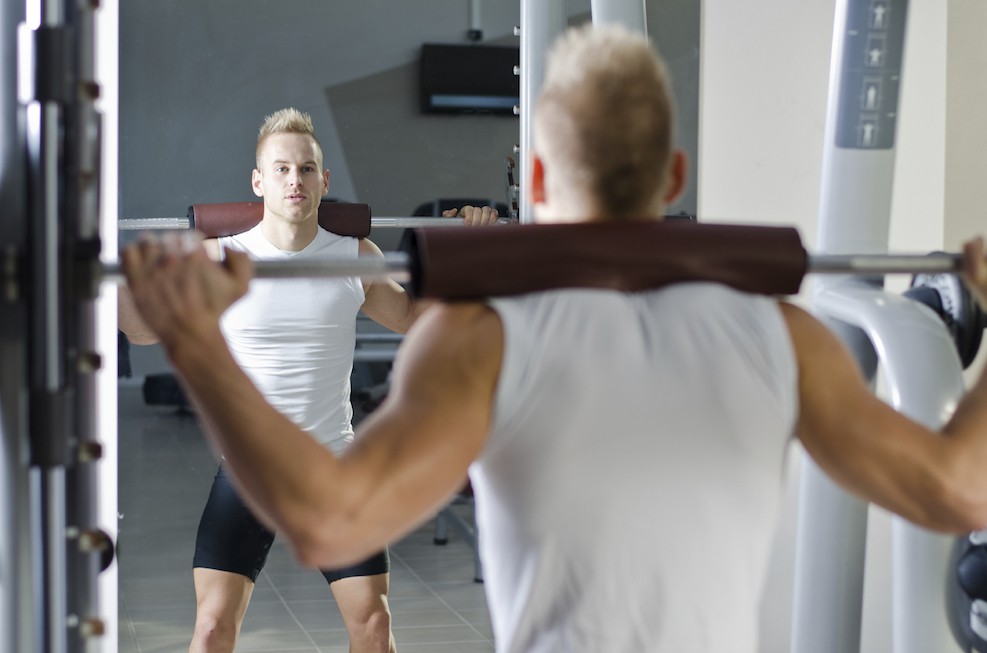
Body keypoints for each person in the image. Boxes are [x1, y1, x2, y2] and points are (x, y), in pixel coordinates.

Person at [122, 25, 987, 653]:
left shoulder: (480, 341)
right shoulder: (783, 333)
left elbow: (324, 517)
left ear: (533, 176)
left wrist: (194, 343)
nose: (299, 179)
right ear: (674, 174)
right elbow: (958, 489)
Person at [118, 107, 498, 653]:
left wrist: (471, 250)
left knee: (374, 626)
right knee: (210, 628)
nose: (294, 180)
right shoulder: (222, 258)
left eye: (305, 169)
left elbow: (416, 319)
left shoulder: (354, 256)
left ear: (324, 179)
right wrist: (106, 272)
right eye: (281, 169)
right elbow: (144, 331)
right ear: (258, 181)